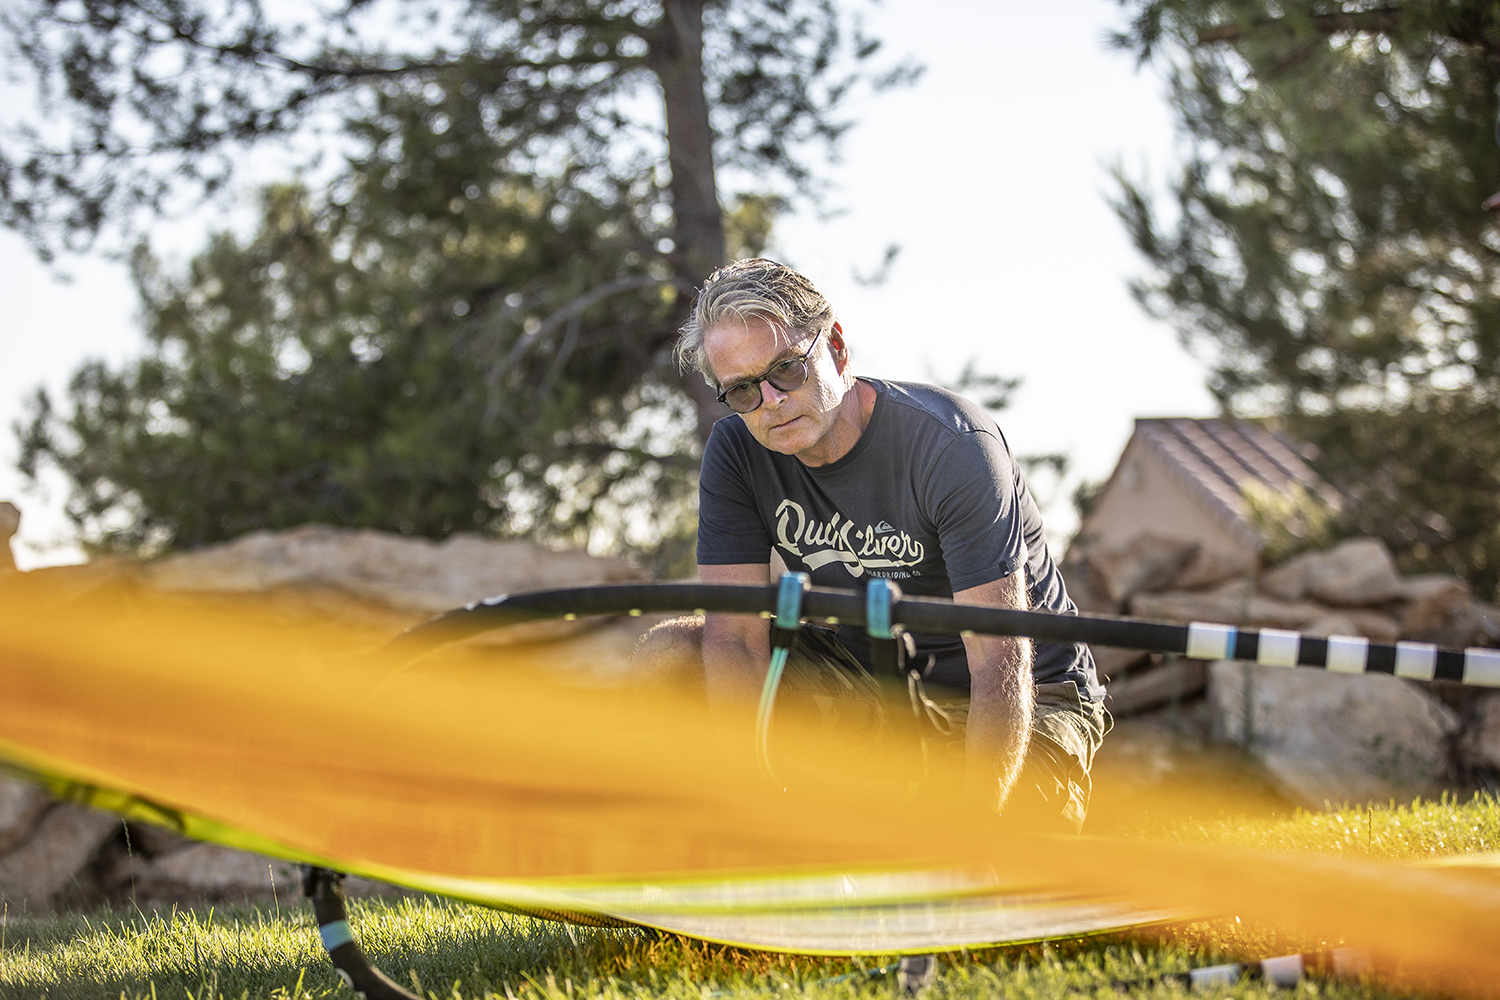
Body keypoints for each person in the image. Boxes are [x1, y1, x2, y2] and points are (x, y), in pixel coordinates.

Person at [635, 258, 1108, 832]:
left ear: (835, 347)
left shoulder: (952, 445)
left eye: (785, 370)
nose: (771, 402)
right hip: (869, 679)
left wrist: (971, 830)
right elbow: (734, 639)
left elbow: (999, 657)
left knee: (993, 887)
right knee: (671, 659)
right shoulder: (736, 451)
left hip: (1026, 693)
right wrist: (755, 810)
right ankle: (732, 850)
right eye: (741, 390)